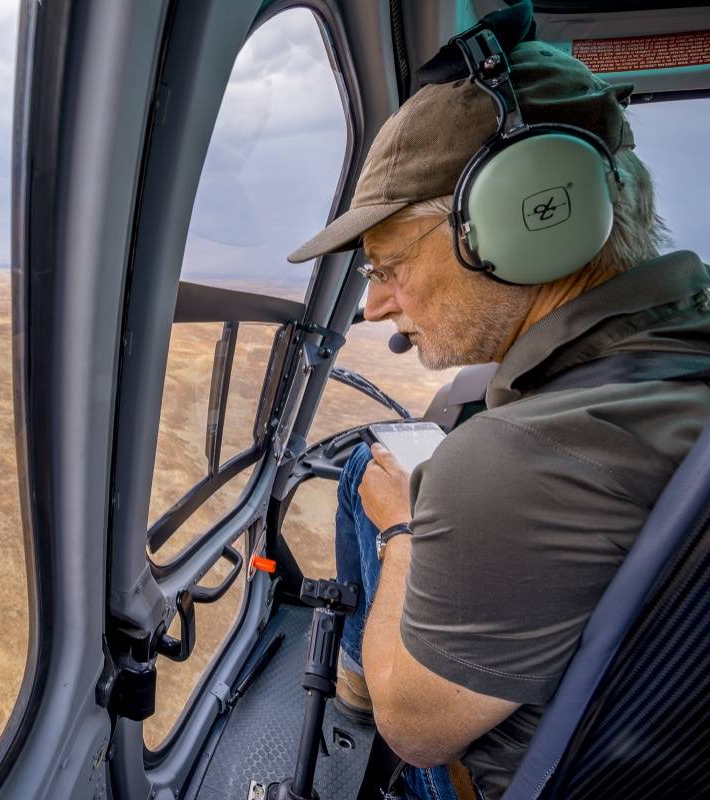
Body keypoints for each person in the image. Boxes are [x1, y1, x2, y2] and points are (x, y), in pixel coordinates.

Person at [285, 18, 710, 800]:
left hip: (499, 776)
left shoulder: (518, 460)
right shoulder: (680, 360)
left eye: (388, 263)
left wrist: (404, 528)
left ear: (531, 213)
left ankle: (352, 680)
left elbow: (416, 730)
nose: (375, 306)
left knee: (366, 478)